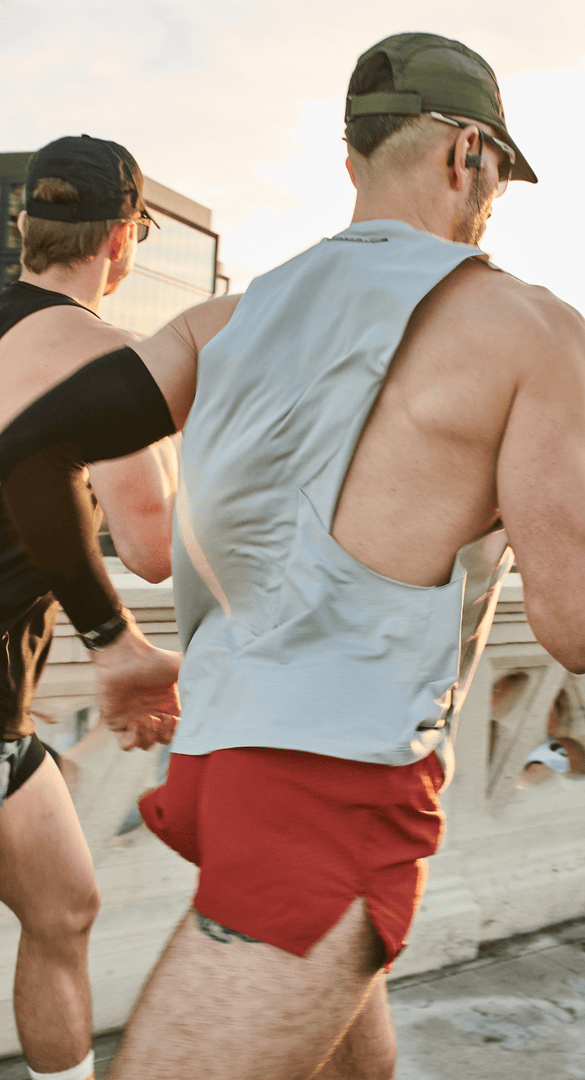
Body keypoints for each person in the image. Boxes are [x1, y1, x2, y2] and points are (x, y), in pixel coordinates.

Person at [0, 34, 585, 1080]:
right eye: (498, 177)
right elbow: (580, 630)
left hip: (219, 760)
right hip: (331, 793)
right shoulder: (532, 328)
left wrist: (111, 644)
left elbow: (26, 456)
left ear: (353, 160)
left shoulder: (219, 322)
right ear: (468, 154)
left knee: (360, 1066)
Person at [0, 135, 180, 1080]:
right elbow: (152, 551)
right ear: (121, 239)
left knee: (64, 906)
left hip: (5, 723)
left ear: (27, 224)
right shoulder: (101, 358)